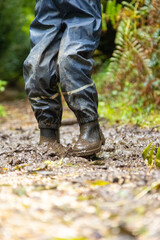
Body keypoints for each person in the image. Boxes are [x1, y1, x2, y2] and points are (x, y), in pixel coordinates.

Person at [23, 0, 105, 157]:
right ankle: (48, 134)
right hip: (46, 7)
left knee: (71, 60)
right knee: (37, 65)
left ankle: (90, 126)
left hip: (82, 6)